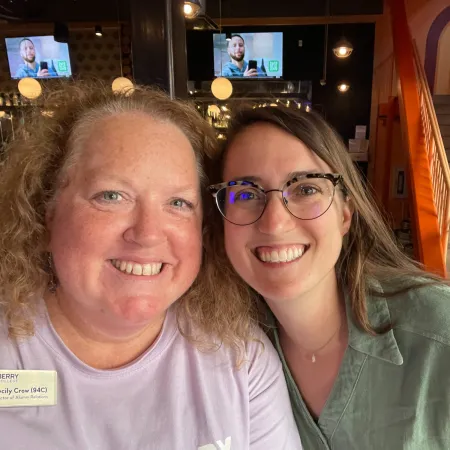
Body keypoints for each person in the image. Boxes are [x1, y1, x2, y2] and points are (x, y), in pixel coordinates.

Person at [0, 82, 302, 449]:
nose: (147, 234)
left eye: (178, 203)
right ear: (46, 211)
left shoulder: (243, 361)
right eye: (111, 196)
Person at [206, 104, 450, 449]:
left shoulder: (439, 332)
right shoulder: (229, 354)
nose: (275, 223)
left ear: (345, 215)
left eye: (305, 189)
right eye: (246, 193)